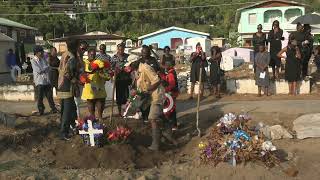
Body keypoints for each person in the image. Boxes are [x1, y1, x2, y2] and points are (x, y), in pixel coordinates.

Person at [125, 50, 165, 151]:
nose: (129, 67)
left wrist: (146, 90)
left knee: (152, 118)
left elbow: (157, 81)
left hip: (156, 94)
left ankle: (156, 144)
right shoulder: (136, 71)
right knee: (150, 114)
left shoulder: (146, 68)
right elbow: (139, 86)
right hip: (147, 95)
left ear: (135, 62)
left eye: (130, 64)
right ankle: (167, 131)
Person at [57, 39, 80, 140]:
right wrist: (75, 80)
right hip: (67, 86)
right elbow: (67, 73)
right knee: (67, 110)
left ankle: (71, 127)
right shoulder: (72, 57)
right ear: (75, 47)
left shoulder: (64, 54)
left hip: (60, 85)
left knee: (66, 109)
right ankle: (63, 133)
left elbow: (60, 69)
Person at [81, 48, 109, 120]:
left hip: (99, 84)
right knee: (90, 101)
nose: (92, 56)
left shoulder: (99, 62)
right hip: (89, 85)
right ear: (88, 54)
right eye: (91, 54)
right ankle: (92, 117)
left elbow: (104, 73)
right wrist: (83, 77)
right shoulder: (84, 62)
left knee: (100, 101)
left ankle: (100, 117)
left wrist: (105, 75)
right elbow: (81, 72)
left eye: (94, 55)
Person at [31, 46, 58, 115]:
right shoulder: (33, 60)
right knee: (40, 98)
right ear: (37, 53)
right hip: (39, 81)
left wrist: (45, 68)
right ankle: (41, 111)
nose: (42, 53)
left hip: (46, 80)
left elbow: (47, 68)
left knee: (49, 96)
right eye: (41, 52)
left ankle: (54, 109)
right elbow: (39, 70)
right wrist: (46, 67)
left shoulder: (43, 59)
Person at [112, 43, 131, 116]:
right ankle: (119, 112)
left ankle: (125, 111)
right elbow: (111, 67)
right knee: (119, 96)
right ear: (117, 49)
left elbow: (131, 65)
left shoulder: (128, 56)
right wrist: (115, 70)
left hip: (126, 78)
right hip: (119, 79)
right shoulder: (114, 57)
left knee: (126, 96)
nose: (121, 50)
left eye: (122, 49)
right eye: (119, 49)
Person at [160, 61, 179, 131]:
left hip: (171, 93)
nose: (165, 67)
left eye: (166, 66)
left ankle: (174, 126)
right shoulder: (170, 73)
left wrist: (165, 90)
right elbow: (166, 79)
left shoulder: (171, 74)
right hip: (172, 93)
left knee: (171, 110)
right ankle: (173, 125)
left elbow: (171, 85)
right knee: (170, 109)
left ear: (169, 66)